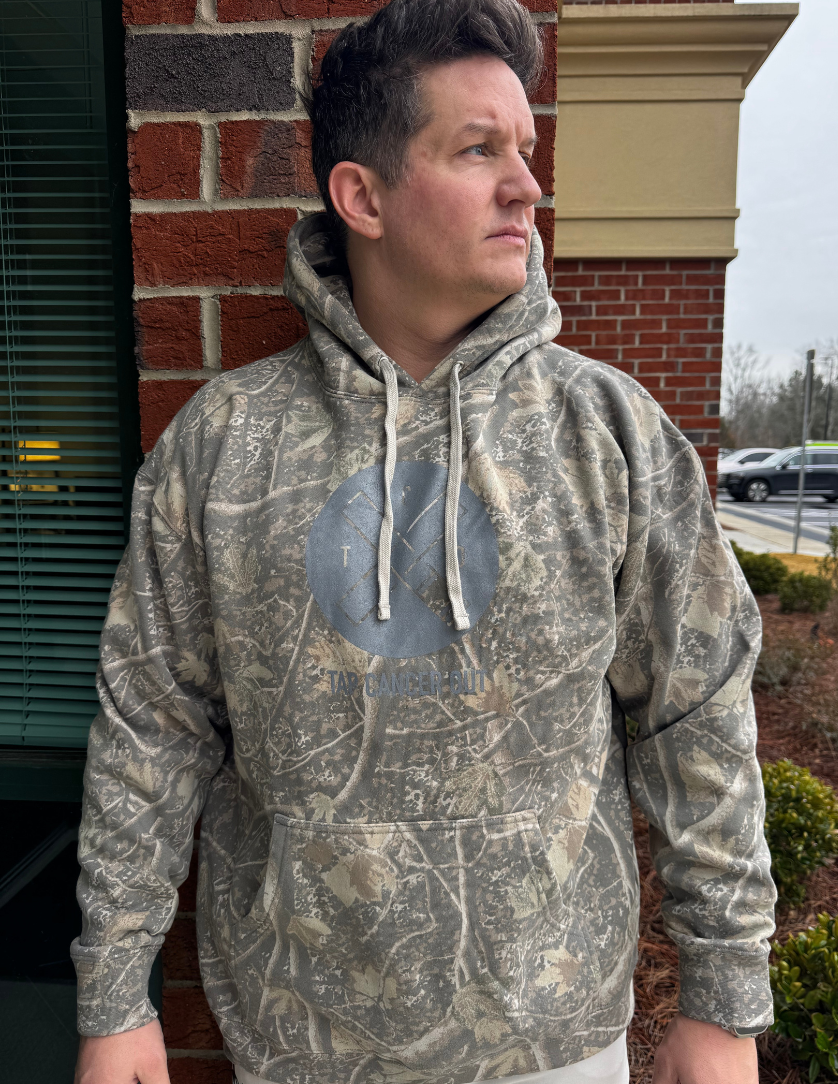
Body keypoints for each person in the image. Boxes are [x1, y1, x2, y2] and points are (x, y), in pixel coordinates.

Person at [72, 1, 776, 1082]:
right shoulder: (225, 443)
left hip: (554, 1043)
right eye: (478, 149)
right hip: (299, 1040)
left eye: (525, 150)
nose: (526, 186)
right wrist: (115, 996)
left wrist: (725, 1000)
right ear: (362, 195)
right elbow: (150, 727)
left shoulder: (607, 432)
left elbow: (700, 712)